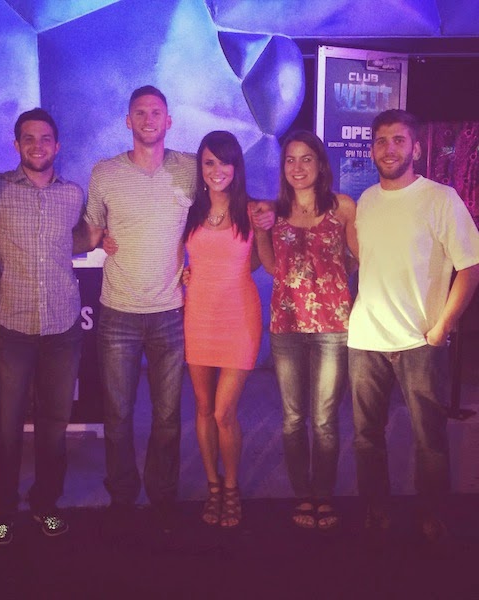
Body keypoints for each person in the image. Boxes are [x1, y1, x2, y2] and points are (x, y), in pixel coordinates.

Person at [348, 109, 479, 545]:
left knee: (430, 439)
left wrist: (443, 325)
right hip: (366, 339)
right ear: (372, 150)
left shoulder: (440, 199)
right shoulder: (366, 201)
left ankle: (432, 514)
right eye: (381, 141)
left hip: (420, 340)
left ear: (416, 148)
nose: (389, 149)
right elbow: (366, 259)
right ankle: (376, 510)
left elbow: (470, 267)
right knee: (366, 437)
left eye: (399, 140)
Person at [73, 86, 196, 529]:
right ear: (128, 121)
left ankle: (163, 496)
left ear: (169, 120)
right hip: (118, 314)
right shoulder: (105, 172)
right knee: (118, 415)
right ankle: (122, 496)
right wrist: (48, 236)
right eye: (140, 112)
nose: (148, 119)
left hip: (169, 313)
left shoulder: (190, 169)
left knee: (167, 417)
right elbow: (90, 232)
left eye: (156, 112)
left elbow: (218, 212)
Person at [0, 108, 84, 545]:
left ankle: (46, 504)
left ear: (57, 146)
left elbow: (78, 238)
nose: (37, 145)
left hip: (63, 328)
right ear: (16, 145)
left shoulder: (73, 194)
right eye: (28, 138)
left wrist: (103, 239)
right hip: (13, 328)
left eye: (45, 138)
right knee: (6, 427)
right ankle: (2, 510)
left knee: (54, 425)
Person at [254, 130, 358, 531]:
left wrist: (332, 277)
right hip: (287, 324)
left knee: (325, 419)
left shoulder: (342, 207)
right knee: (294, 418)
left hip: (333, 325)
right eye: (290, 160)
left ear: (320, 163)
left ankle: (323, 494)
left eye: (306, 159)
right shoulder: (274, 211)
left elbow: (357, 256)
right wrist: (261, 231)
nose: (297, 167)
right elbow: (270, 265)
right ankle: (302, 493)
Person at [182, 130, 267, 528]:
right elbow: (178, 257)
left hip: (239, 319)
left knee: (222, 412)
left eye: (225, 162)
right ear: (200, 167)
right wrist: (184, 275)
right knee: (202, 408)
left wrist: (267, 226)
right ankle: (213, 487)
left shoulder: (253, 211)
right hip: (198, 316)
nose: (217, 170)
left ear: (237, 166)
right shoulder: (191, 211)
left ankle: (231, 487)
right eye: (209, 162)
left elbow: (260, 262)